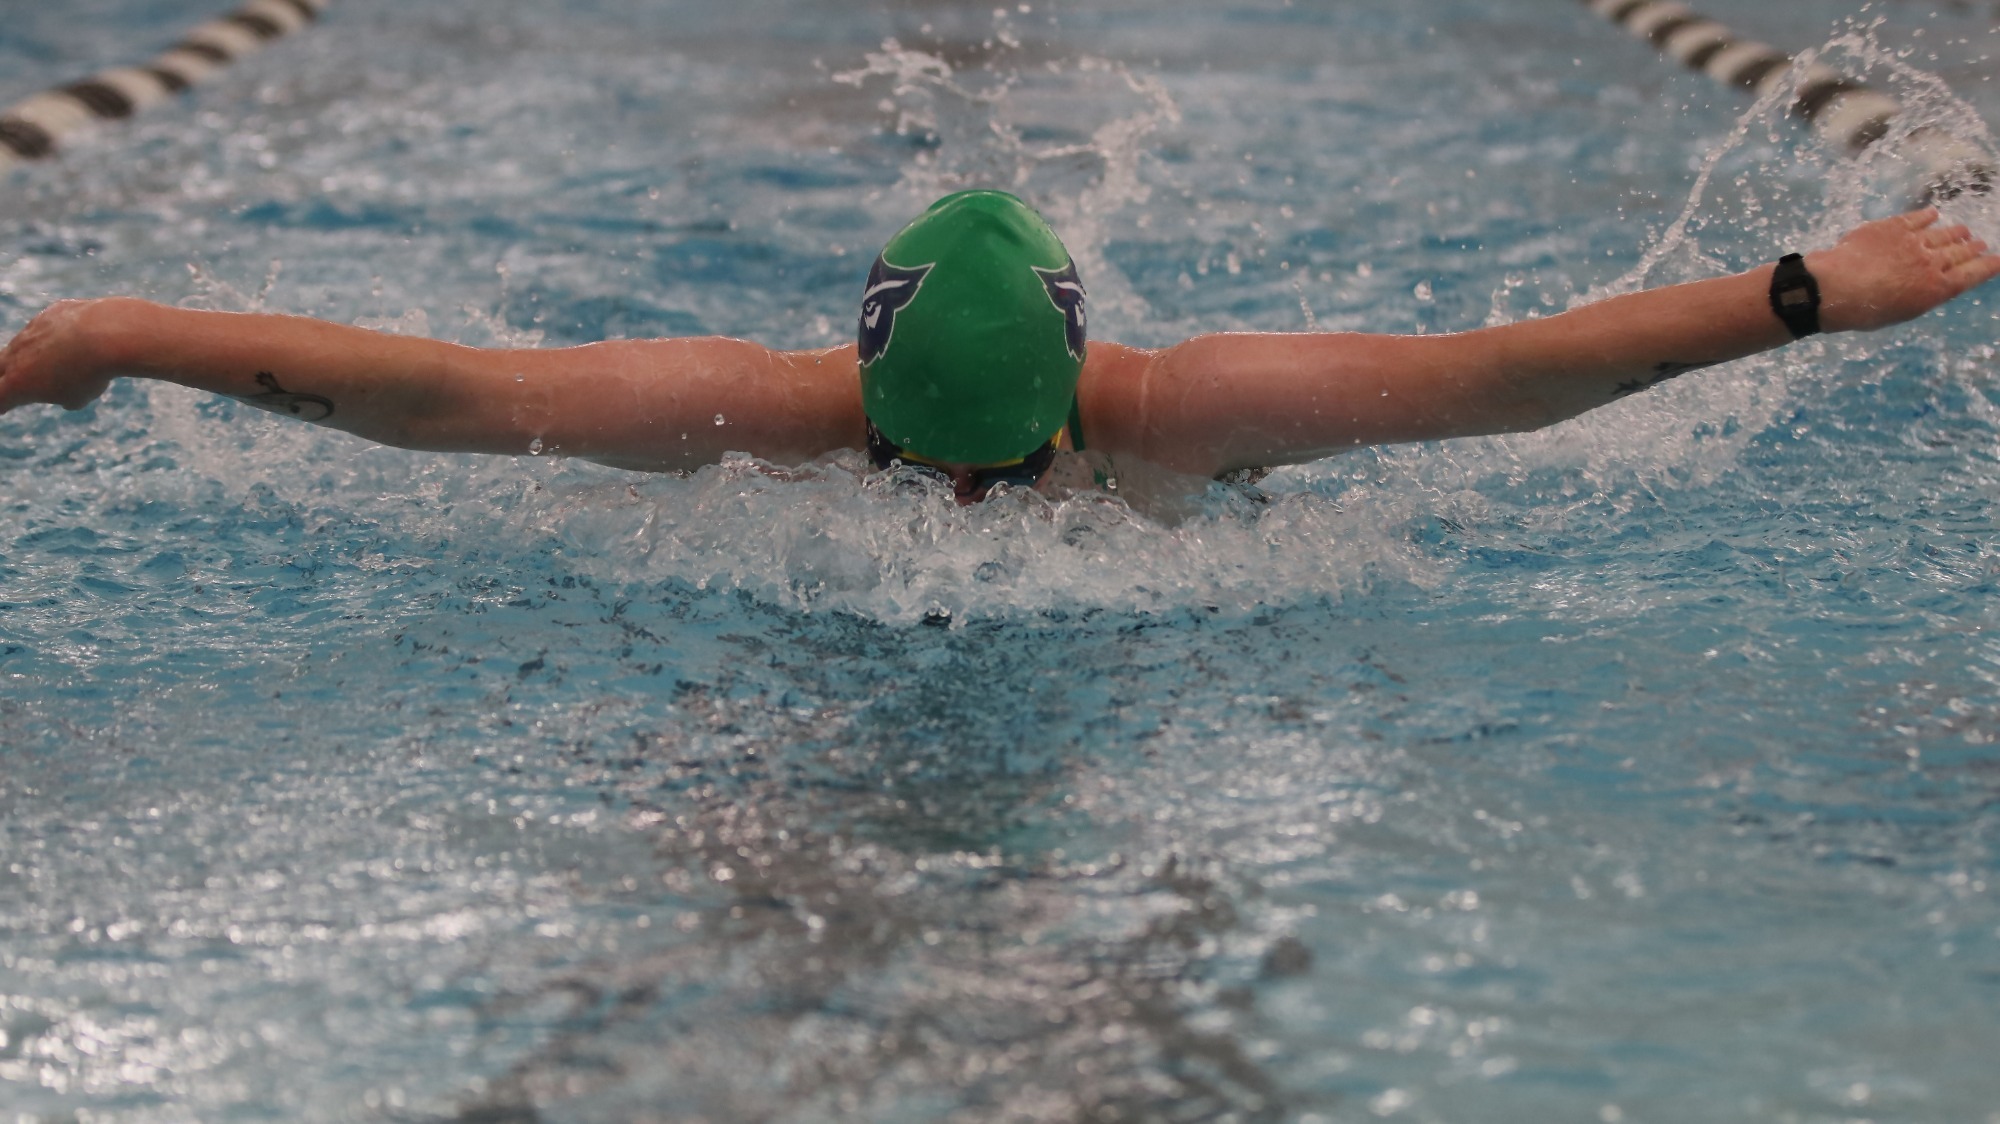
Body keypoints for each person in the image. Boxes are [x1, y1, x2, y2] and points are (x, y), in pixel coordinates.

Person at [0, 189, 1995, 503]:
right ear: (851, 397)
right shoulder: (745, 415)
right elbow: (431, 393)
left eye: (990, 472)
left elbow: (1519, 368)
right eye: (922, 469)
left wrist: (1810, 291)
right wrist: (104, 329)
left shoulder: (1188, 411)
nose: (958, 506)